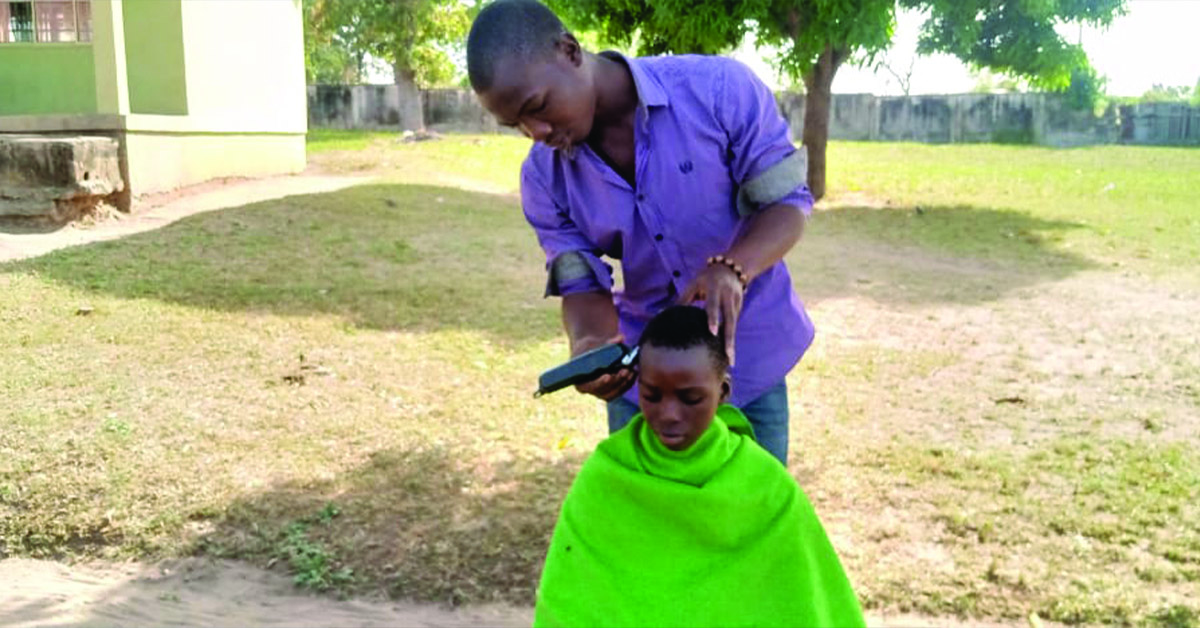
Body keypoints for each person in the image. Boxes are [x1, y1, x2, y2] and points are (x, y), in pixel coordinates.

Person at [467, 0, 815, 465]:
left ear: (569, 51)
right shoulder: (543, 178)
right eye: (517, 125)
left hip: (749, 362)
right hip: (647, 391)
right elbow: (582, 283)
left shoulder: (717, 92)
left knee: (750, 524)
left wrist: (734, 268)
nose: (536, 132)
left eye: (538, 107)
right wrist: (589, 343)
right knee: (650, 530)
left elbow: (786, 204)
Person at [532, 305, 864, 627]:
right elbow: (572, 600)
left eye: (690, 399)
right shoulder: (607, 474)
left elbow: (800, 602)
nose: (669, 414)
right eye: (651, 396)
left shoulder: (766, 484)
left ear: (723, 393)